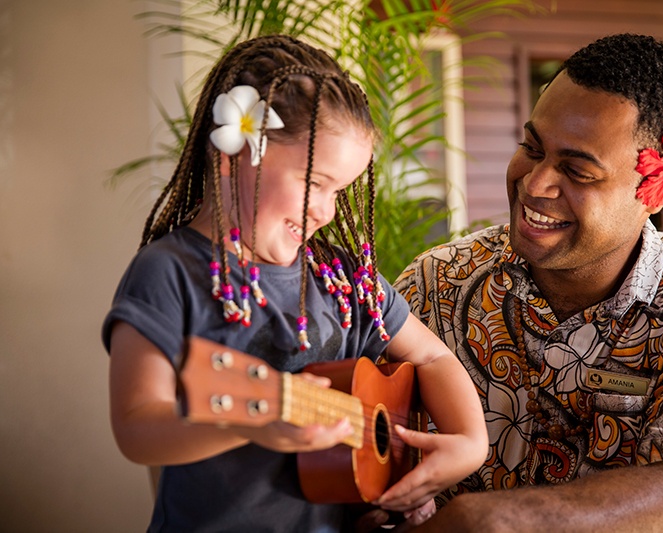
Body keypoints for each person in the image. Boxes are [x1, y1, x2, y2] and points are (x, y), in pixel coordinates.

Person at [101, 34, 487, 532]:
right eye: (316, 183)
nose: (327, 211)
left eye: (341, 191)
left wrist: (467, 444)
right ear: (235, 154)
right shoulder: (169, 273)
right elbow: (137, 426)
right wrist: (253, 421)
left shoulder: (344, 280)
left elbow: (432, 357)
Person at [393, 33, 663, 532]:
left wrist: (500, 522)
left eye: (577, 171)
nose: (535, 183)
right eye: (532, 147)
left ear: (653, 191)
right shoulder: (436, 283)